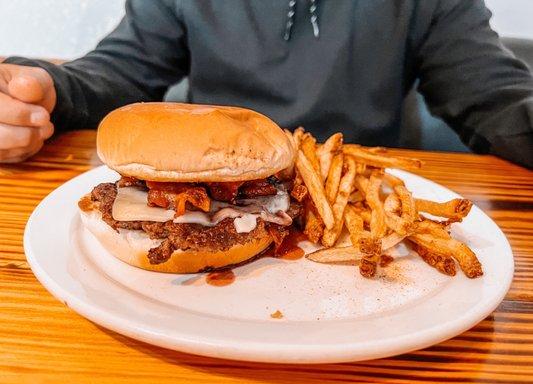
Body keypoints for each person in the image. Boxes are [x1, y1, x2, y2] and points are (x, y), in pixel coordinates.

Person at [1, 0, 532, 167]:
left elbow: (496, 98)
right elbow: (115, 73)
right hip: (213, 198)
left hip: (363, 204)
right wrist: (43, 87)